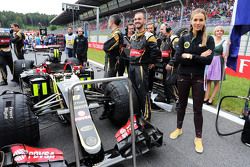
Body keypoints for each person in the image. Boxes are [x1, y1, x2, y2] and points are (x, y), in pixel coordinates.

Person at [169, 8, 215, 153]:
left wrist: (189, 56)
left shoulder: (209, 39)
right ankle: (179, 128)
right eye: (195, 19)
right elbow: (177, 58)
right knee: (181, 105)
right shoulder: (183, 38)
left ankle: (198, 138)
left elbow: (207, 61)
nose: (198, 22)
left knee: (197, 109)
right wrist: (198, 56)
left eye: (201, 20)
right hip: (182, 76)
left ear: (205, 21)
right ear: (191, 21)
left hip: (198, 79)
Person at [129, 12, 160, 121]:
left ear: (144, 21)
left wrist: (151, 62)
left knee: (143, 91)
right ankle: (137, 112)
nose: (136, 21)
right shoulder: (132, 36)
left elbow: (155, 51)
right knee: (132, 91)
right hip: (131, 67)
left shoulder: (149, 36)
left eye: (139, 19)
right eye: (135, 19)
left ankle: (147, 116)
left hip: (141, 67)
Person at [204, 26, 229, 105]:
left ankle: (212, 98)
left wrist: (228, 46)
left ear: (222, 32)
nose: (219, 32)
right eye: (217, 31)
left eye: (221, 31)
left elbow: (225, 55)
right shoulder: (211, 40)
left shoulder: (224, 42)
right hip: (210, 61)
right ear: (215, 32)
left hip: (218, 62)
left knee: (216, 81)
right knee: (208, 80)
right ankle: (206, 97)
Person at [158, 23, 179, 104]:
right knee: (166, 83)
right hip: (165, 65)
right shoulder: (164, 39)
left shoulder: (174, 39)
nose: (160, 31)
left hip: (173, 66)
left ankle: (178, 100)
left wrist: (171, 63)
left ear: (167, 30)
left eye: (162, 29)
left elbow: (178, 52)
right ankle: (169, 98)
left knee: (171, 83)